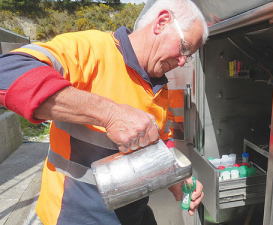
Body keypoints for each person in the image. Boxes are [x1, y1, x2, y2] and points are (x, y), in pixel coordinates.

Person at [0, 0, 209, 224]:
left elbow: (160, 143)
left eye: (188, 55)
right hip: (73, 217)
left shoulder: (159, 85)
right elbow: (7, 72)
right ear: (162, 22)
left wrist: (174, 175)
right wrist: (110, 114)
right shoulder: (92, 49)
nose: (182, 61)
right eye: (184, 48)